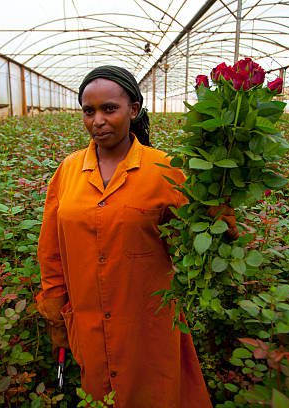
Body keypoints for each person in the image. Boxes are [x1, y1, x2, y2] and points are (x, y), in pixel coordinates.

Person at [35, 66, 237, 407]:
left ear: (134, 109)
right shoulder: (68, 170)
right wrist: (56, 308)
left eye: (109, 109)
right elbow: (51, 248)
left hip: (146, 321)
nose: (98, 120)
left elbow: (200, 231)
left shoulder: (163, 169)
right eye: (89, 111)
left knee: (156, 393)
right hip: (88, 320)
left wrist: (219, 203)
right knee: (101, 394)